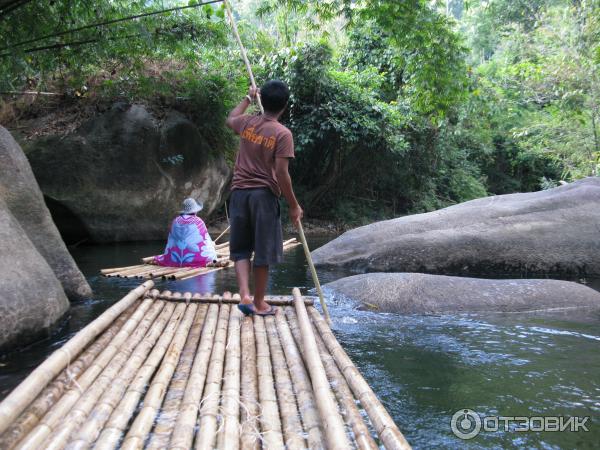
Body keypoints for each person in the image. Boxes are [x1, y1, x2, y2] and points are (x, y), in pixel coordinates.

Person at [225, 80, 303, 316]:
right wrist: (294, 205)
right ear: (284, 106)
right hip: (263, 197)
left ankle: (245, 295)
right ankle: (259, 303)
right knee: (263, 251)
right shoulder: (282, 133)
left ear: (262, 99)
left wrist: (247, 98)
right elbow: (281, 173)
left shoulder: (247, 122)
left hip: (238, 194)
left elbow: (231, 118)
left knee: (240, 249)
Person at [153, 198, 218, 267]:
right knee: (210, 254)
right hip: (197, 260)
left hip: (174, 259)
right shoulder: (198, 221)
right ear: (195, 211)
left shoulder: (176, 221)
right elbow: (205, 240)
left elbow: (171, 240)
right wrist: (212, 244)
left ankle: (178, 260)